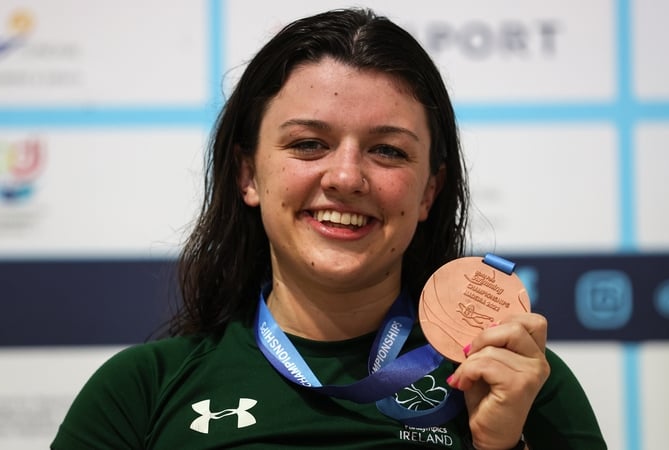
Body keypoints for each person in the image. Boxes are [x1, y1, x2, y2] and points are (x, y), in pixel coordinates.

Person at [52, 8, 606, 450]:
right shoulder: (140, 390)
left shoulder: (517, 381)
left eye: (387, 150)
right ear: (248, 174)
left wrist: (503, 448)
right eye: (308, 144)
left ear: (429, 192)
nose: (345, 177)